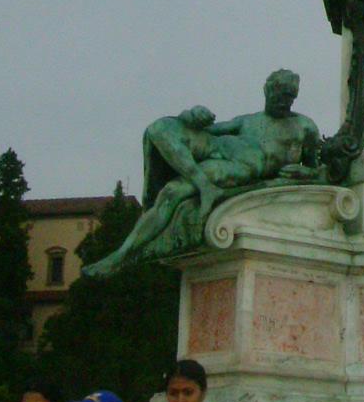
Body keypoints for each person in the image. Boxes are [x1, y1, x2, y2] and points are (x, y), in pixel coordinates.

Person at [84, 69, 321, 277]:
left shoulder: (304, 126)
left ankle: (123, 255)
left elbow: (317, 168)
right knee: (159, 128)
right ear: (266, 91)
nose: (284, 101)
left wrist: (305, 173)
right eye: (279, 95)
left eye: (290, 97)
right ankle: (121, 255)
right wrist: (189, 116)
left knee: (172, 192)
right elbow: (209, 130)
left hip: (239, 168)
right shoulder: (247, 121)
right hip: (219, 149)